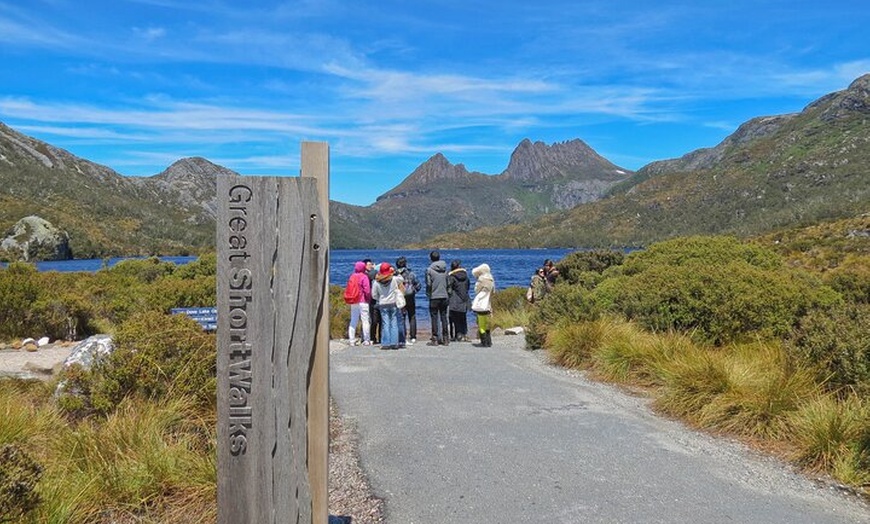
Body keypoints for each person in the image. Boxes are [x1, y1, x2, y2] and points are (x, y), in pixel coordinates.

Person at [371, 262, 403, 350]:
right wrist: (395, 272)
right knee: (394, 323)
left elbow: (374, 295)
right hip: (393, 303)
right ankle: (394, 343)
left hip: (383, 304)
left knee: (385, 323)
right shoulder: (394, 279)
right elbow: (402, 279)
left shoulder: (376, 282)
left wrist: (380, 298)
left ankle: (385, 343)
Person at [425, 250, 450, 346]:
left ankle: (435, 338)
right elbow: (448, 283)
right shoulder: (445, 269)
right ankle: (446, 338)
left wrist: (428, 294)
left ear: (431, 259)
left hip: (434, 296)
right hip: (444, 296)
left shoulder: (429, 270)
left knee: (434, 318)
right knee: (444, 317)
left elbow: (428, 284)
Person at [395, 256, 421, 345]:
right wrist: (414, 291)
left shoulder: (395, 275)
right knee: (412, 316)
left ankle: (403, 336)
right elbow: (418, 285)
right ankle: (413, 336)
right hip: (410, 297)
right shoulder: (411, 273)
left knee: (402, 317)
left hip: (400, 297)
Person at [346, 261, 373, 345]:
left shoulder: (352, 277)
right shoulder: (364, 277)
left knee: (353, 320)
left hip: (354, 301)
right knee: (365, 320)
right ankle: (366, 340)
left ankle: (351, 340)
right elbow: (367, 290)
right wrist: (369, 299)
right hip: (363, 301)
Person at [471, 263, 494, 347]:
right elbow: (493, 292)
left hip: (481, 305)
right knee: (487, 323)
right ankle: (489, 341)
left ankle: (483, 341)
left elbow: (476, 290)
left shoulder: (481, 280)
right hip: (488, 304)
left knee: (481, 324)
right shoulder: (491, 280)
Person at [447, 259, 470, 341]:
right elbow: (467, 287)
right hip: (464, 299)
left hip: (454, 300)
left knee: (455, 318)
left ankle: (458, 335)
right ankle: (464, 334)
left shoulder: (451, 277)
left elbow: (449, 289)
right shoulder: (466, 276)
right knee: (463, 317)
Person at [364, 258, 381, 344]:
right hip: (371, 300)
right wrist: (375, 269)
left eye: (371, 264)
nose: (370, 266)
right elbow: (371, 276)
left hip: (377, 300)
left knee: (380, 320)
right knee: (374, 320)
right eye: (369, 265)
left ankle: (381, 338)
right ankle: (372, 337)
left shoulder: (372, 273)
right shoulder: (366, 274)